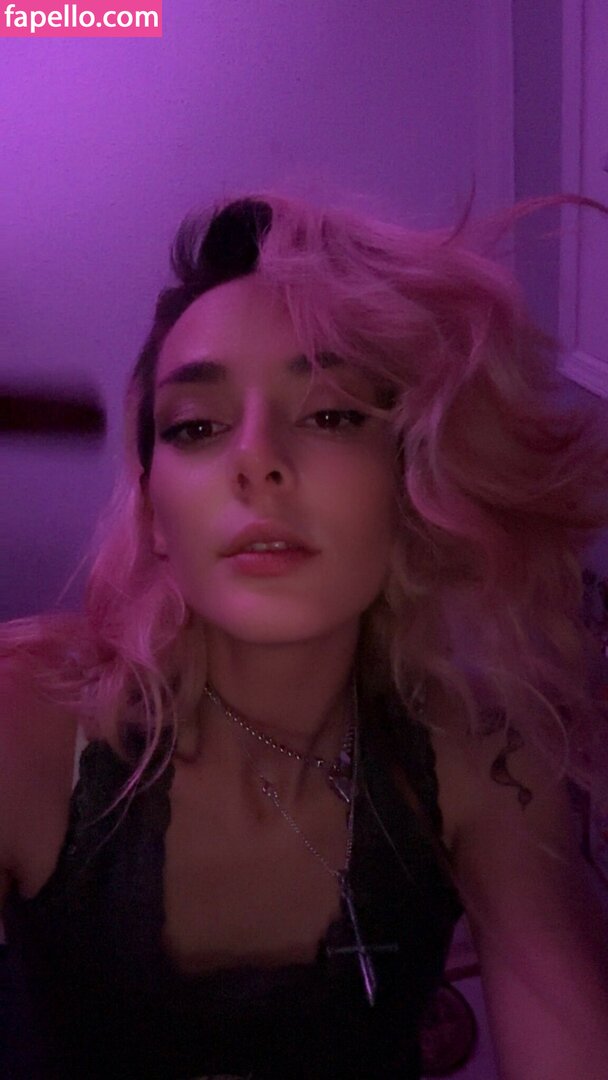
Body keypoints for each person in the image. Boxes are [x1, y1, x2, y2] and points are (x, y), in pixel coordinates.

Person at [1, 189, 608, 1080]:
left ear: (411, 482)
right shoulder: (25, 722)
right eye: (196, 426)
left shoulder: (487, 768)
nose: (256, 458)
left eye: (331, 414)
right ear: (156, 514)